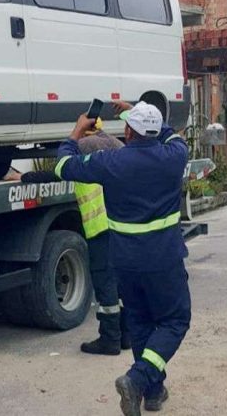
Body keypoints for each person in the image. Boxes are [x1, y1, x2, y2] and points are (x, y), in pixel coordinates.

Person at [54, 101, 190, 416]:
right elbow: (171, 135)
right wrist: (142, 111)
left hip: (126, 262)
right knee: (175, 321)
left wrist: (77, 131)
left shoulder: (111, 161)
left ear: (128, 131)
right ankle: (137, 379)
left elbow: (62, 166)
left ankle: (153, 392)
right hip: (164, 260)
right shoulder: (175, 156)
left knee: (140, 322)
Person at [21, 120, 130, 355]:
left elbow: (61, 169)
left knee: (104, 283)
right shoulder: (118, 145)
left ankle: (110, 339)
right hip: (122, 226)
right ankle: (126, 335)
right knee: (121, 281)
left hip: (100, 227)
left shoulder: (85, 145)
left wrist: (26, 177)